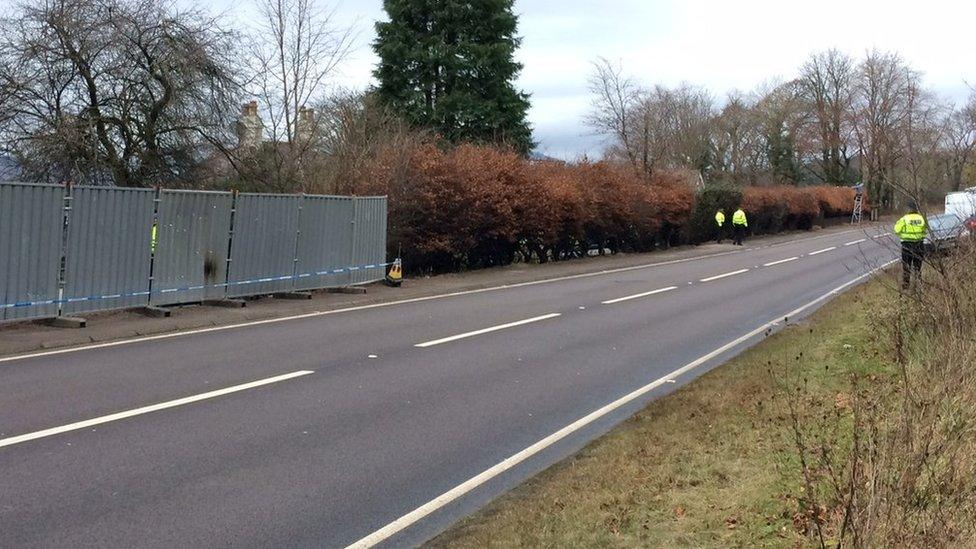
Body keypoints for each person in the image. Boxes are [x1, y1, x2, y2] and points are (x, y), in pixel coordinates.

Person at [894, 201, 927, 290]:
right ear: (916, 209)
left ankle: (906, 286)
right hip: (919, 244)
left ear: (908, 209)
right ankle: (918, 285)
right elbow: (925, 230)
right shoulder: (921, 218)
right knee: (918, 267)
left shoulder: (904, 219)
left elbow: (896, 230)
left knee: (906, 267)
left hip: (907, 245)